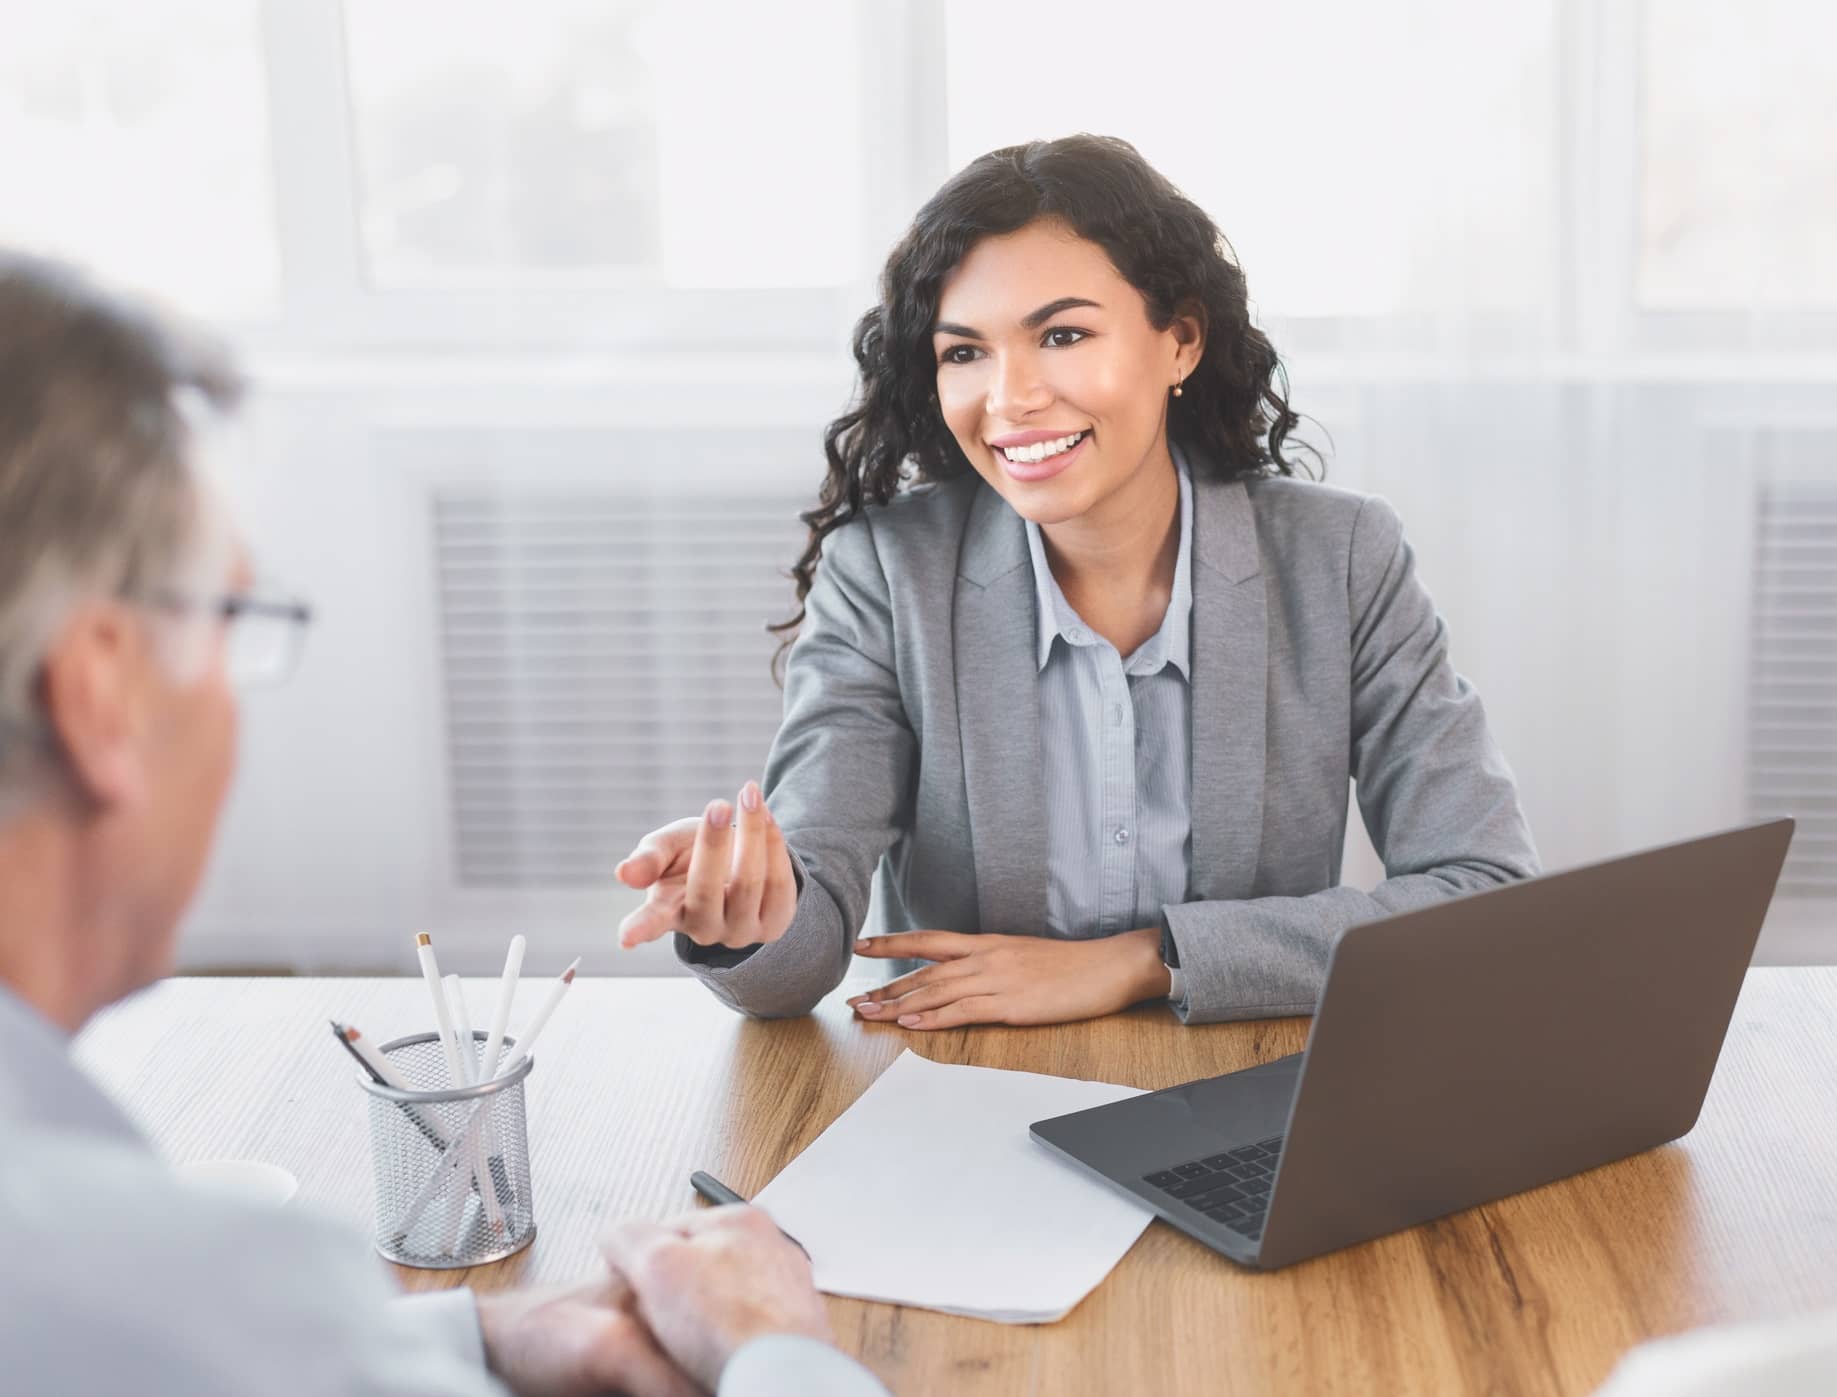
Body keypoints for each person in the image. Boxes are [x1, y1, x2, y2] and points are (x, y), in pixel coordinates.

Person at [0, 251, 887, 1396]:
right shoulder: (143, 1276)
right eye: (229, 616)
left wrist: (482, 1336)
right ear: (102, 692)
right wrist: (780, 1348)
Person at [617, 135, 1540, 1028]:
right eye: (964, 352)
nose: (1010, 397)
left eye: (1060, 334)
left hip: (1246, 1084)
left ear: (1178, 341)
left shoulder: (1340, 558)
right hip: (964, 1098)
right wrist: (749, 913)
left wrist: (1142, 960)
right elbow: (803, 951)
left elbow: (1486, 899)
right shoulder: (886, 575)